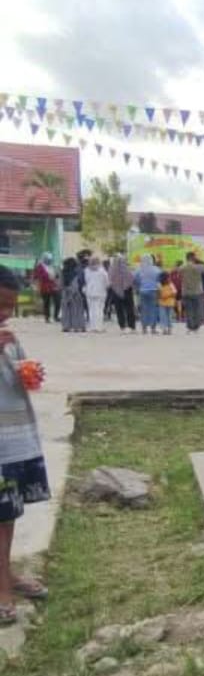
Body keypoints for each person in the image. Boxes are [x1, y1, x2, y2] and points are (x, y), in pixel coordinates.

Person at [0, 266, 50, 625]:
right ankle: (2, 589)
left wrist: (29, 372)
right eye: (0, 305)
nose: (5, 314)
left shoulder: (10, 338)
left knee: (9, 514)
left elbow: (19, 374)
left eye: (10, 307)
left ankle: (8, 576)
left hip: (14, 440)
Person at [108, 255, 136, 333]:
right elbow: (132, 279)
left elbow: (110, 280)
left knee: (119, 309)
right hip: (127, 291)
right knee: (129, 309)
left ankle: (122, 326)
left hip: (116, 291)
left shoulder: (112, 270)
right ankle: (131, 326)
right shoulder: (127, 269)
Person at [135, 254, 160, 334]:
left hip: (142, 291)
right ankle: (153, 328)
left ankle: (144, 328)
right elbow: (160, 279)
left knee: (144, 310)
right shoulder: (156, 269)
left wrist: (139, 286)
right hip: (153, 291)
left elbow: (135, 279)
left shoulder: (139, 269)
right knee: (153, 309)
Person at [59, 257, 86, 333]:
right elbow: (80, 282)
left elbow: (60, 284)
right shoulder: (77, 272)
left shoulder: (63, 271)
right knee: (77, 310)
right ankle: (78, 326)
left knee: (66, 310)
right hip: (76, 292)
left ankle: (66, 326)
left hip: (65, 292)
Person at [180, 253, 204, 332]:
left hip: (186, 292)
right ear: (193, 258)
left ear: (186, 258)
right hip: (197, 291)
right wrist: (199, 261)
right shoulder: (198, 267)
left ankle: (190, 326)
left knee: (189, 310)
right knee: (197, 309)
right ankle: (196, 326)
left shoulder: (182, 267)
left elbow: (179, 271)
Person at [84, 255, 109, 333]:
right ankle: (99, 327)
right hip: (100, 292)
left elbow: (86, 280)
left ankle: (93, 327)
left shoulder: (86, 270)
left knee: (91, 310)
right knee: (100, 310)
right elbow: (107, 282)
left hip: (90, 292)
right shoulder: (102, 271)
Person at [32, 254, 60, 323]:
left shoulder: (52, 266)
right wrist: (36, 286)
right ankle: (47, 318)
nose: (49, 261)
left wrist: (56, 276)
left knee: (57, 301)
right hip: (44, 286)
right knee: (46, 303)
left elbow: (57, 275)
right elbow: (36, 276)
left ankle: (56, 316)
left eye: (50, 259)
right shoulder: (39, 267)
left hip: (53, 286)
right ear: (44, 259)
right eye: (48, 259)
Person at [158, 271, 177, 335]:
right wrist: (169, 295)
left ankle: (164, 329)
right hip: (170, 303)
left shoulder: (159, 284)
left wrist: (164, 296)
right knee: (169, 316)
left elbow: (158, 294)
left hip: (162, 303)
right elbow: (174, 292)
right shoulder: (171, 284)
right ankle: (169, 329)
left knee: (163, 316)